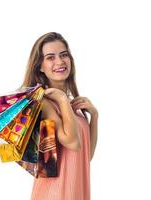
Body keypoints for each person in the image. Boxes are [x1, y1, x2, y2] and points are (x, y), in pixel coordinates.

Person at [21, 32, 98, 200]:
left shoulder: (73, 107)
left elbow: (86, 156)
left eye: (64, 55)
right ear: (39, 66)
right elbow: (72, 142)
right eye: (50, 57)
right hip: (54, 194)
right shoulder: (45, 103)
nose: (60, 61)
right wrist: (62, 99)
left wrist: (95, 118)